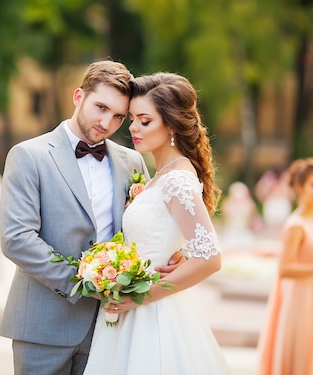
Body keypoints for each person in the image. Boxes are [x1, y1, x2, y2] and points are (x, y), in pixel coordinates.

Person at [0, 60, 166, 375]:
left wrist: (171, 257)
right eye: (100, 107)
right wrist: (85, 282)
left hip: (110, 325)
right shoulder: (28, 156)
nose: (107, 122)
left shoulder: (133, 162)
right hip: (43, 325)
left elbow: (145, 227)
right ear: (78, 96)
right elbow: (16, 239)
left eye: (118, 116)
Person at [82, 72, 231, 374]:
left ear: (172, 124)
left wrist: (140, 296)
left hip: (153, 313)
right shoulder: (161, 175)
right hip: (133, 309)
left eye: (145, 120)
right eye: (133, 119)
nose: (134, 128)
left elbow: (211, 258)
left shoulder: (177, 179)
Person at [257, 157, 313, 375]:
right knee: (304, 355)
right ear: (299, 188)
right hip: (302, 301)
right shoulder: (296, 225)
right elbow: (285, 269)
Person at [221, 181, 261, 251]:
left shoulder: (249, 205)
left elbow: (251, 219)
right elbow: (227, 217)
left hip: (244, 231)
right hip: (233, 232)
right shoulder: (228, 204)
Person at [255, 166, 294, 239]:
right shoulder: (268, 177)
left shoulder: (285, 177)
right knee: (272, 225)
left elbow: (290, 191)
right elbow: (260, 190)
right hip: (273, 202)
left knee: (282, 224)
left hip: (282, 202)